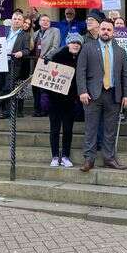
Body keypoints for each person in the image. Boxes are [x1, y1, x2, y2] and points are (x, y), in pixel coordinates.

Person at [77, 19, 127, 172]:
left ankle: (109, 158)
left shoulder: (120, 51)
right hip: (92, 95)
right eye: (103, 29)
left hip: (114, 95)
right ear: (99, 30)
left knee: (110, 129)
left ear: (113, 32)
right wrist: (82, 91)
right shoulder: (88, 48)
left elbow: (125, 75)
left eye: (109, 29)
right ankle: (89, 159)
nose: (106, 32)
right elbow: (80, 71)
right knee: (91, 128)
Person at [47, 33, 84, 167]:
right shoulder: (57, 56)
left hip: (71, 101)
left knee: (68, 129)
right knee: (55, 129)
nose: (75, 44)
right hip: (55, 100)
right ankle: (55, 156)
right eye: (73, 42)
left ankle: (66, 156)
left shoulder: (82, 59)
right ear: (68, 43)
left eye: (78, 43)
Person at [0, 11, 31, 118]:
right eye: (15, 19)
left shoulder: (25, 35)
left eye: (19, 19)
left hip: (14, 63)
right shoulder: (3, 30)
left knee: (8, 87)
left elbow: (27, 50)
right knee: (0, 85)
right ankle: (5, 112)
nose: (17, 21)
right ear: (11, 20)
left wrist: (21, 53)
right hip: (0, 62)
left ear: (22, 22)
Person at [32, 14, 61, 116]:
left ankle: (46, 110)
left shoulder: (55, 31)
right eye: (43, 20)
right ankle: (37, 109)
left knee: (44, 89)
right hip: (35, 64)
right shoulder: (35, 34)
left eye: (47, 21)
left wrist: (46, 57)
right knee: (35, 88)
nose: (45, 22)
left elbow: (55, 47)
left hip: (47, 63)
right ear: (39, 22)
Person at [16, 15, 35, 117]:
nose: (27, 25)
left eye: (29, 24)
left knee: (21, 87)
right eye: (25, 23)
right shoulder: (15, 34)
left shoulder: (30, 35)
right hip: (15, 63)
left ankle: (20, 110)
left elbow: (30, 49)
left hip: (25, 64)